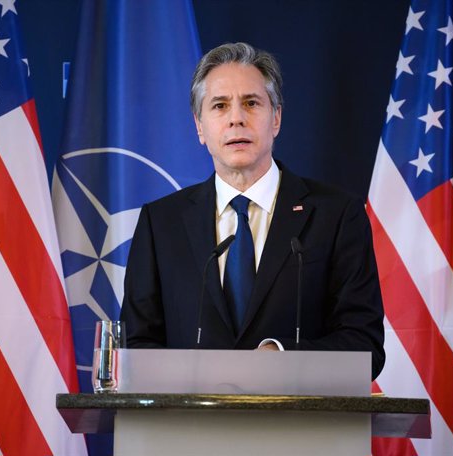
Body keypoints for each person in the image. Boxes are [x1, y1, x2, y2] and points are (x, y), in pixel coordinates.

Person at [120, 42, 385, 379]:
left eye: (251, 103)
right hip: (189, 427)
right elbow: (134, 345)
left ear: (275, 118)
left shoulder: (336, 215)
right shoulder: (161, 223)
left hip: (299, 427)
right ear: (200, 127)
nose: (236, 119)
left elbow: (365, 347)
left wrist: (282, 356)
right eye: (219, 105)